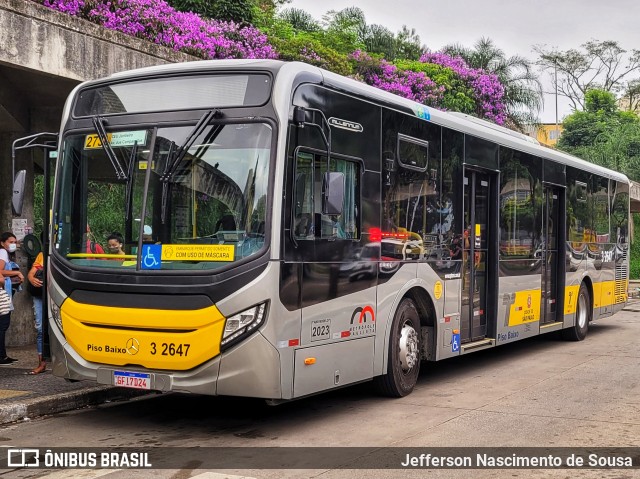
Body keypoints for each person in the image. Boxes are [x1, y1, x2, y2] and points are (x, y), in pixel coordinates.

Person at [0, 232, 23, 365]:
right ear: (3, 243)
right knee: (3, 325)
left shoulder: (5, 254)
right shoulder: (3, 252)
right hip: (3, 294)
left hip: (5, 292)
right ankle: (1, 356)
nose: (13, 244)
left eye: (15, 242)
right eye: (10, 242)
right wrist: (17, 272)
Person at [27, 251, 46, 374]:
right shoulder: (42, 255)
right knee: (40, 329)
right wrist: (32, 278)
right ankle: (42, 363)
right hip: (40, 295)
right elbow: (31, 273)